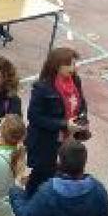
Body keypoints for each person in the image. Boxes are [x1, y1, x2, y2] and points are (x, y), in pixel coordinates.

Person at [26, 47, 89, 195]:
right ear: (56, 65)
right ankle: (31, 202)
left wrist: (82, 118)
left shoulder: (75, 80)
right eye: (69, 64)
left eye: (74, 64)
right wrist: (64, 125)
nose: (73, 68)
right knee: (41, 176)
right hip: (46, 143)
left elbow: (82, 103)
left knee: (61, 175)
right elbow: (34, 116)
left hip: (68, 140)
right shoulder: (42, 87)